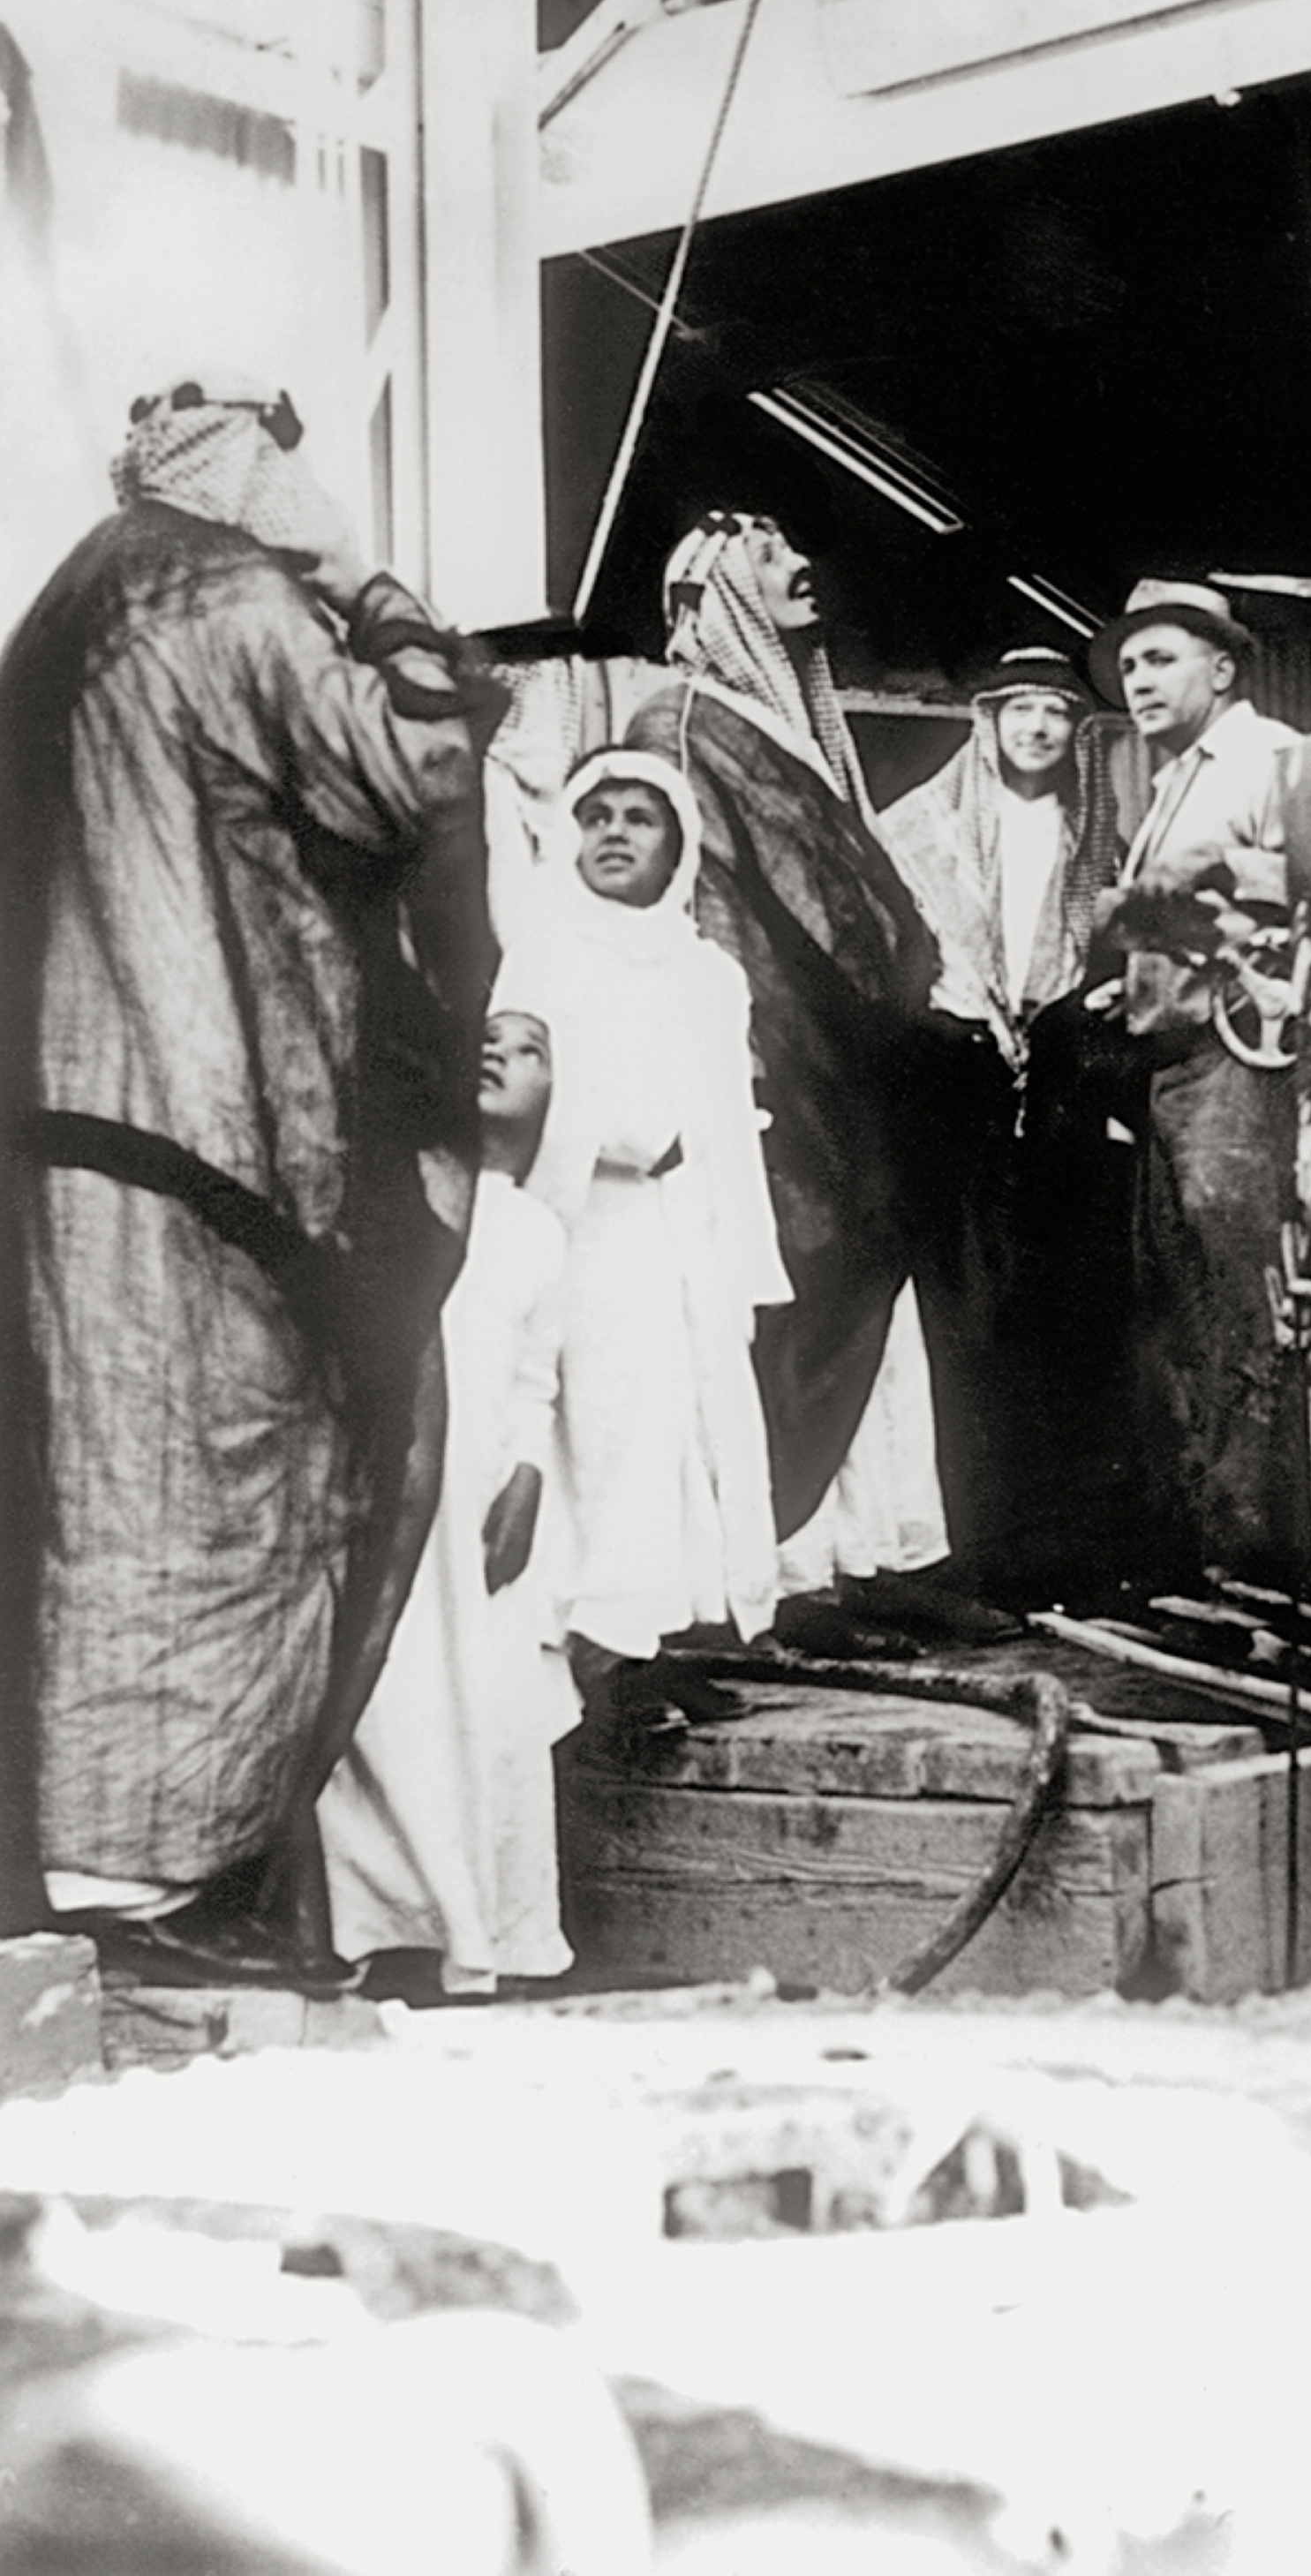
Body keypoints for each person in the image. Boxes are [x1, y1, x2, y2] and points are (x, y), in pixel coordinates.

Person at [0, 372, 502, 1978]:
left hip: (84, 1136)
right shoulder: (214, 585)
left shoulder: (74, 602)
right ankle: (141, 1895)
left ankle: (106, 1878)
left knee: (106, 1494)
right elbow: (406, 765)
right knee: (211, 1491)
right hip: (206, 1141)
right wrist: (364, 579)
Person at [623, 510, 961, 1622]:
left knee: (850, 1301)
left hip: (829, 1066)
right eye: (767, 554)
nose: (798, 561)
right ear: (713, 597)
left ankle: (861, 1557)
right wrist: (904, 965)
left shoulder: (770, 720)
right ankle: (787, 1573)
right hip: (772, 1065)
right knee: (796, 1300)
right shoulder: (691, 720)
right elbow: (824, 913)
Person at [494, 750, 791, 1666]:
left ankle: (649, 1644)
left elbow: (722, 1117)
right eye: (597, 814)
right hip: (587, 1222)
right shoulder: (543, 951)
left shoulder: (709, 972)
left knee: (682, 1429)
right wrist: (633, 1136)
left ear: (679, 846)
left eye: (640, 817)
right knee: (605, 1433)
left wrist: (729, 1231)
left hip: (682, 1225)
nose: (615, 831)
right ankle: (583, 1655)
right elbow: (526, 1085)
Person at [318, 1007, 576, 1998]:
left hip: (480, 1498)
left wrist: (524, 1477)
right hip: (389, 1488)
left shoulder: (535, 1228)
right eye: (484, 1037)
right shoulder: (398, 1192)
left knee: (489, 1708)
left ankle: (485, 1929)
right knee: (388, 1695)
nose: (498, 1055)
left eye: (528, 1048)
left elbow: (535, 1378)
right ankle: (373, 1922)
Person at [879, 645, 1126, 1571]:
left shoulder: (1091, 834)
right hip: (950, 1062)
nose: (1035, 727)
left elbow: (1096, 959)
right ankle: (958, 1539)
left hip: (1053, 1069)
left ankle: (1042, 1538)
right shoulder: (919, 826)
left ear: (1075, 734)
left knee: (1048, 1301)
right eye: (1017, 709)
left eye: (1055, 714)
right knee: (958, 1296)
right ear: (986, 722)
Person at [1089, 575, 1310, 1585]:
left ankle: (1265, 1547)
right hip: (1170, 1064)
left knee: (1241, 1291)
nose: (1138, 677)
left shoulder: (1265, 757)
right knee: (1182, 1299)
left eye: (1160, 657)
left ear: (1221, 669)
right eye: (1129, 663)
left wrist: (1174, 905)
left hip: (1235, 1060)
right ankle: (1217, 1542)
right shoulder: (1169, 777)